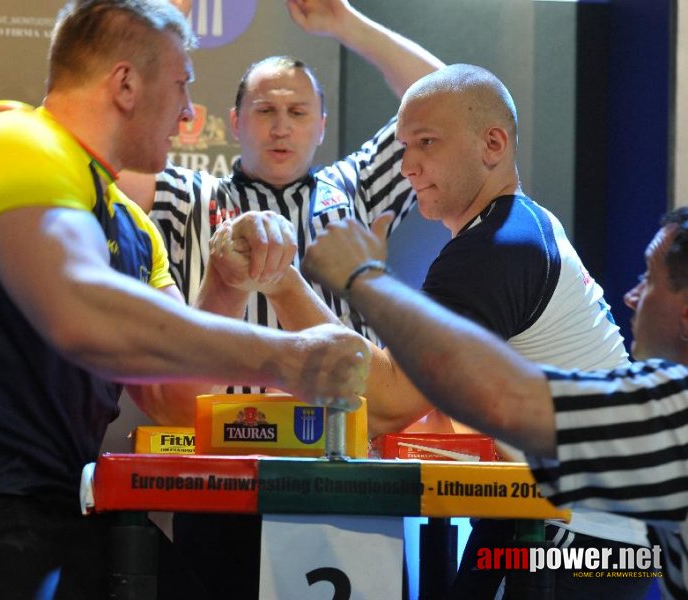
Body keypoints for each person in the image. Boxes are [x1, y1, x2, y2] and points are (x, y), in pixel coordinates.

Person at [0, 2, 371, 598]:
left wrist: (226, 285)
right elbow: (81, 311)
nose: (186, 113)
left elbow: (173, 400)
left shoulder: (134, 225)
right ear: (126, 84)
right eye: (181, 86)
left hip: (63, 506)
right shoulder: (14, 140)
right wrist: (289, 358)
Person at [314, 63, 651, 599]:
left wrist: (282, 282)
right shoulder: (515, 228)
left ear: (493, 143)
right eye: (403, 147)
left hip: (580, 532)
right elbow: (435, 410)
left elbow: (391, 402)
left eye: (426, 142)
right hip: (574, 525)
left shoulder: (496, 248)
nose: (407, 166)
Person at [303, 204, 688, 599]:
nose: (631, 295)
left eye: (650, 279)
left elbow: (500, 397)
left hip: (573, 545)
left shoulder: (668, 407)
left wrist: (364, 280)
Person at [118, 0, 445, 434]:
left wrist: (347, 24)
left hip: (339, 449)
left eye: (298, 112)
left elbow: (445, 104)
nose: (281, 128)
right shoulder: (185, 193)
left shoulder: (356, 188)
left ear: (322, 126)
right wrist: (162, 26)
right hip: (216, 452)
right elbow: (102, 152)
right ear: (235, 122)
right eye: (266, 110)